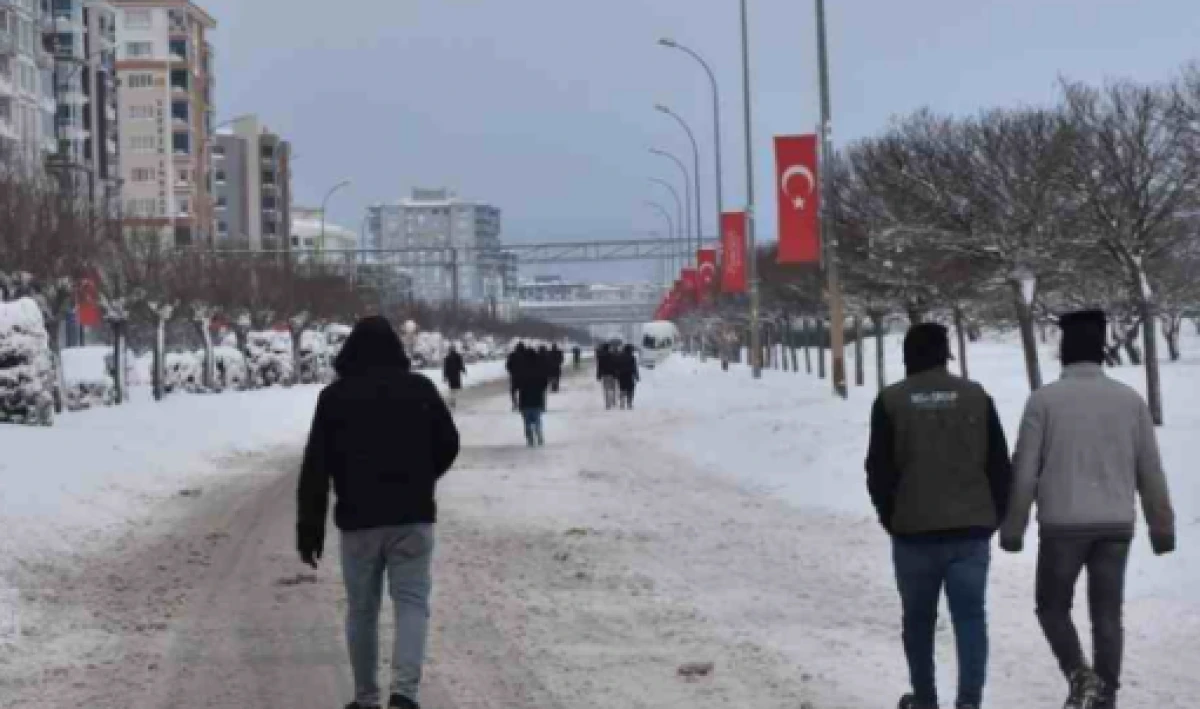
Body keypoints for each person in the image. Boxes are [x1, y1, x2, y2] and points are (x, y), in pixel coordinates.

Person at [1000, 310, 1175, 709]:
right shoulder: (1130, 402)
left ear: (1065, 351)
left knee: (1051, 607)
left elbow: (1024, 471)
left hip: (1062, 525)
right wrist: (1161, 525)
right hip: (1116, 525)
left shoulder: (1043, 401)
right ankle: (1104, 697)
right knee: (1107, 615)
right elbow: (1150, 469)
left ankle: (1080, 676)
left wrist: (1014, 526)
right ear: (1101, 351)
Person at [296, 316, 460, 709]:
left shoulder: (334, 398)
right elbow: (449, 443)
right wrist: (422, 478)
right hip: (413, 518)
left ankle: (366, 698)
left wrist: (310, 528)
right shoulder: (419, 389)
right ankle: (404, 694)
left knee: (362, 612)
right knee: (412, 604)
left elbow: (316, 466)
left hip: (359, 521)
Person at [865, 323, 1012, 709]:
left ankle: (926, 700)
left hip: (913, 532)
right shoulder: (976, 396)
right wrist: (991, 516)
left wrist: (892, 516)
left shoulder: (891, 401)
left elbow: (878, 470)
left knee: (918, 622)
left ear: (908, 356)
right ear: (945, 354)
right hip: (970, 531)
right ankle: (969, 702)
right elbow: (999, 464)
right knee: (970, 619)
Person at [515, 345, 549, 447]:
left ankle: (530, 438)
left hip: (524, 398)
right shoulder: (539, 367)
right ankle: (539, 434)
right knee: (537, 419)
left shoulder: (521, 368)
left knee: (527, 421)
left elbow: (517, 383)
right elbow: (544, 382)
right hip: (537, 397)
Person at [616, 344, 640, 409]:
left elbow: (617, 367)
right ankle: (629, 403)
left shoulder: (619, 357)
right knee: (630, 390)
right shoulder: (632, 358)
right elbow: (634, 368)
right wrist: (637, 376)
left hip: (621, 376)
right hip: (629, 375)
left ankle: (622, 403)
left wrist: (617, 375)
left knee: (622, 389)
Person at [596, 343, 617, 410]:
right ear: (609, 348)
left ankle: (607, 404)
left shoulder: (601, 357)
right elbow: (616, 365)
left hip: (605, 374)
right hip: (613, 374)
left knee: (606, 389)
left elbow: (599, 367)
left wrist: (598, 375)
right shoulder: (613, 355)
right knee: (613, 388)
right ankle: (613, 400)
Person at [505, 343, 524, 411]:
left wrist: (511, 372)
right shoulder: (526, 355)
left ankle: (515, 403)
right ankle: (522, 403)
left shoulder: (512, 355)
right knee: (523, 391)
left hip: (514, 376)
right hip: (524, 377)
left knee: (513, 391)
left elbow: (508, 365)